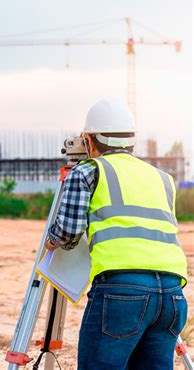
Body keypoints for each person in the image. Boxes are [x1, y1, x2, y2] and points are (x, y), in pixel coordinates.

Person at [45, 99, 188, 370]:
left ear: (89, 140)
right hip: (172, 294)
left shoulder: (87, 170)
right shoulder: (162, 177)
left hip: (122, 291)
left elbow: (68, 231)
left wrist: (50, 241)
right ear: (131, 142)